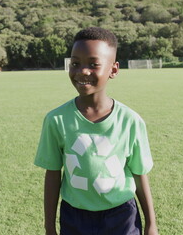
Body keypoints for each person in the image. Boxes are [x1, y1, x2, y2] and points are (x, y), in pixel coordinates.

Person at [34, 27, 158, 235]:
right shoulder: (56, 119)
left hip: (121, 216)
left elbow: (139, 174)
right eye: (75, 63)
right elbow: (53, 174)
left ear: (114, 70)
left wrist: (151, 224)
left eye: (93, 64)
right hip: (74, 216)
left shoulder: (130, 121)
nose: (83, 71)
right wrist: (49, 227)